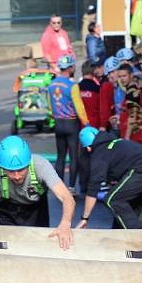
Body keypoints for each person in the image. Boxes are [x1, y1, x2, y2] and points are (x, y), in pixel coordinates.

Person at [0, 136, 76, 249]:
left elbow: (67, 198)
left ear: (28, 163)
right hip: (6, 213)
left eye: (21, 169)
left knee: (37, 247)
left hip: (36, 211)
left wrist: (65, 223)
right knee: (4, 249)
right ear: (2, 167)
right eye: (11, 171)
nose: (17, 176)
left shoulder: (41, 165)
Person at [77, 126, 142, 229]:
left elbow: (93, 187)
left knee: (113, 200)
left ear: (87, 147)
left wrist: (85, 218)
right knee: (129, 205)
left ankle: (139, 236)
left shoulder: (99, 153)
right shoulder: (115, 142)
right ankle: (119, 236)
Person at [47, 55, 89, 192]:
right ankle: (71, 187)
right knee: (73, 157)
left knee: (60, 157)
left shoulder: (51, 85)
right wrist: (87, 124)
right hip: (72, 124)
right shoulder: (72, 86)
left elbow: (49, 106)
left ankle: (59, 188)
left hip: (58, 124)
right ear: (70, 68)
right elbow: (79, 108)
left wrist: (56, 116)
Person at [78, 60, 103, 194]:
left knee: (83, 158)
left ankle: (83, 185)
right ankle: (95, 185)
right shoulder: (97, 88)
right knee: (96, 157)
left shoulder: (77, 88)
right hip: (95, 126)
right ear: (93, 72)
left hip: (81, 127)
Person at [117, 63, 142, 144]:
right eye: (119, 77)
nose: (122, 79)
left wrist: (127, 138)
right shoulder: (136, 88)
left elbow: (132, 116)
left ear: (131, 75)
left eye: (124, 76)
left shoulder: (132, 92)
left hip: (134, 136)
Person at [99, 56, 122, 134]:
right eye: (108, 74)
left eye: (111, 72)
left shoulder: (126, 86)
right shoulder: (115, 87)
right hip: (118, 124)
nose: (109, 76)